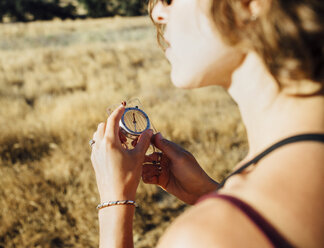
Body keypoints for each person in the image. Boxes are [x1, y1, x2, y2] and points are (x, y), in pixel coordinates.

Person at [90, 0, 324, 247]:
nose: (157, 14)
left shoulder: (204, 237)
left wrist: (115, 201)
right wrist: (211, 193)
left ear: (251, 4)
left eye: (169, 0)